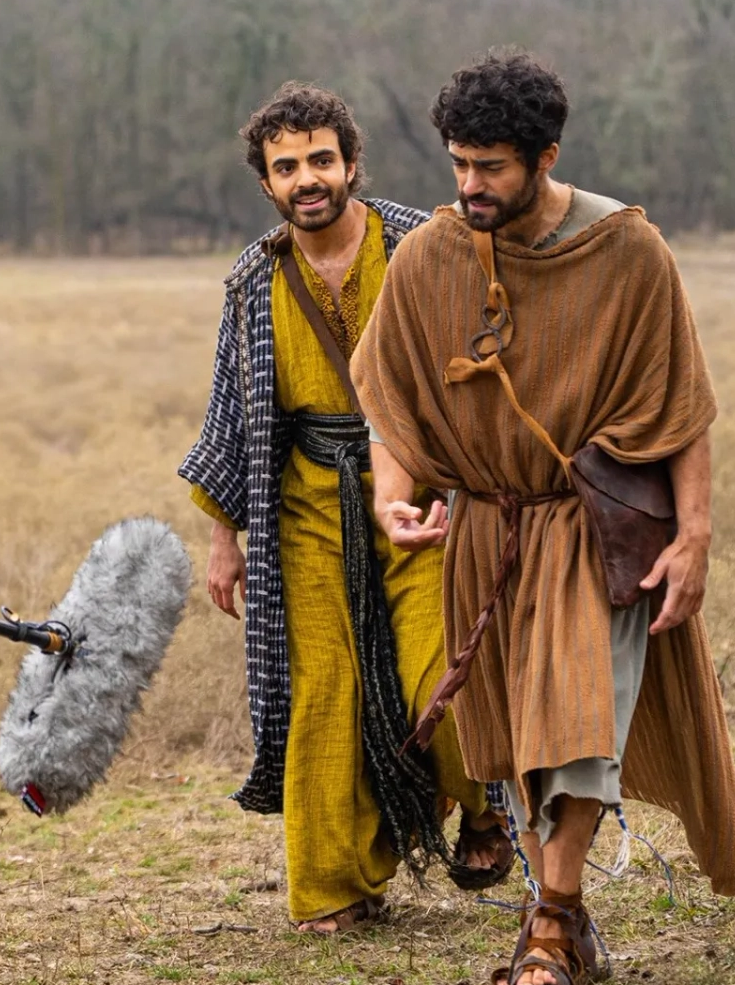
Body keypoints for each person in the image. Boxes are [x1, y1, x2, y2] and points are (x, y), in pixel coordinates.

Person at [352, 48, 735, 985]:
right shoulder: (430, 257)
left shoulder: (628, 252)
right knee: (516, 740)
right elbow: (392, 400)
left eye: (490, 166)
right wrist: (390, 493)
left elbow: (680, 409)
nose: (468, 185)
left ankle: (551, 922)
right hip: (488, 528)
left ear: (545, 156)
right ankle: (558, 912)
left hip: (593, 529)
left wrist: (692, 539)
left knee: (577, 719)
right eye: (458, 163)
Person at [179, 83, 505, 934]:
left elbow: (484, 364)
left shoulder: (423, 246)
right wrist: (226, 539)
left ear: (352, 163)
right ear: (267, 185)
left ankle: (481, 807)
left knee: (442, 667)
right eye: (286, 167)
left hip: (427, 492)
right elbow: (234, 414)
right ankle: (333, 886)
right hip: (307, 507)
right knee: (325, 688)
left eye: (321, 160)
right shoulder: (255, 279)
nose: (306, 179)